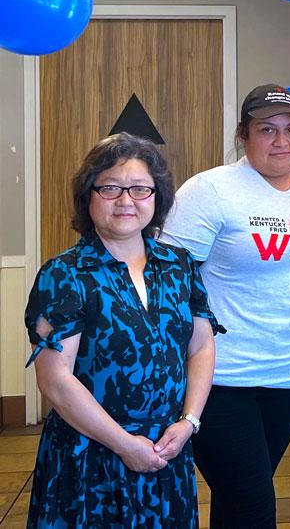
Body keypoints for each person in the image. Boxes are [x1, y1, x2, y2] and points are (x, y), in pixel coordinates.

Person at [160, 84, 290, 527]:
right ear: (244, 134)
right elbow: (169, 277)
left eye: (289, 129)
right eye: (267, 130)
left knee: (239, 499)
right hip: (223, 376)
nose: (281, 142)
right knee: (254, 506)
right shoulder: (211, 190)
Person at [24, 132, 221, 528]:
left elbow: (200, 347)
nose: (126, 200)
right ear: (89, 195)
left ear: (157, 197)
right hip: (91, 457)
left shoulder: (179, 265)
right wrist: (125, 445)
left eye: (139, 189)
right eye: (111, 187)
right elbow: (56, 380)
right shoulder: (64, 274)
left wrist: (189, 423)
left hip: (168, 450)